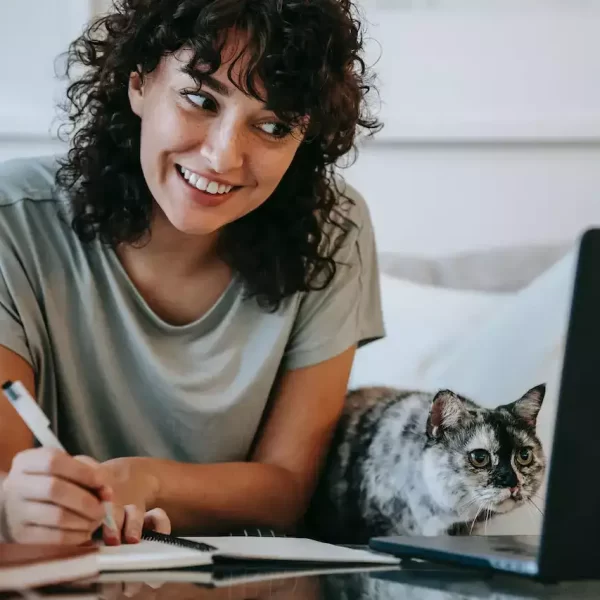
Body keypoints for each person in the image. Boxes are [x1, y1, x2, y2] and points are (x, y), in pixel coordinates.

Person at [0, 0, 383, 546]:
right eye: (200, 98)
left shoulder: (334, 230)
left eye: (273, 126)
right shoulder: (12, 222)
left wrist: (148, 481)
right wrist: (18, 504)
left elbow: (286, 488)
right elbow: (9, 475)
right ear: (139, 83)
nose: (223, 157)